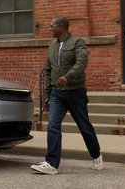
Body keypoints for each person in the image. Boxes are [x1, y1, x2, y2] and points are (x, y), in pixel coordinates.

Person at [31, 16, 103, 175]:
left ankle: (96, 155)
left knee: (84, 126)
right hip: (57, 94)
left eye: (52, 26)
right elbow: (48, 71)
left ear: (62, 26)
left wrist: (67, 77)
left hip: (75, 92)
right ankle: (51, 163)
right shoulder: (52, 47)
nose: (50, 29)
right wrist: (47, 93)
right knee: (53, 126)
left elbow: (81, 63)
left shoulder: (78, 42)